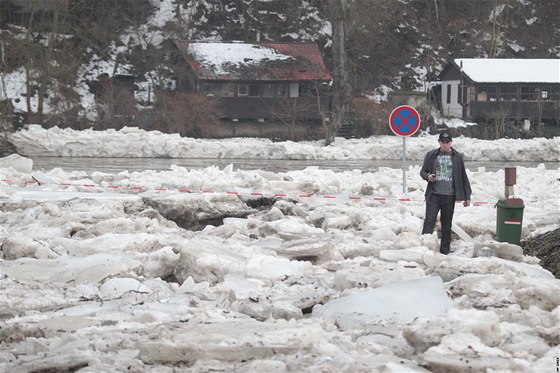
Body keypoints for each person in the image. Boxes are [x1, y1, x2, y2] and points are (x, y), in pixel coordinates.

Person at [420, 132, 471, 254]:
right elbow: (423, 171)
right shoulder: (431, 155)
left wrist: (467, 196)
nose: (445, 144)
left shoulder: (457, 156)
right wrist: (428, 177)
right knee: (429, 221)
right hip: (434, 195)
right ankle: (424, 248)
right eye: (443, 142)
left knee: (446, 225)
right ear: (439, 142)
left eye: (447, 142)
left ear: (451, 142)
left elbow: (463, 176)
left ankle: (444, 252)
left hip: (449, 196)